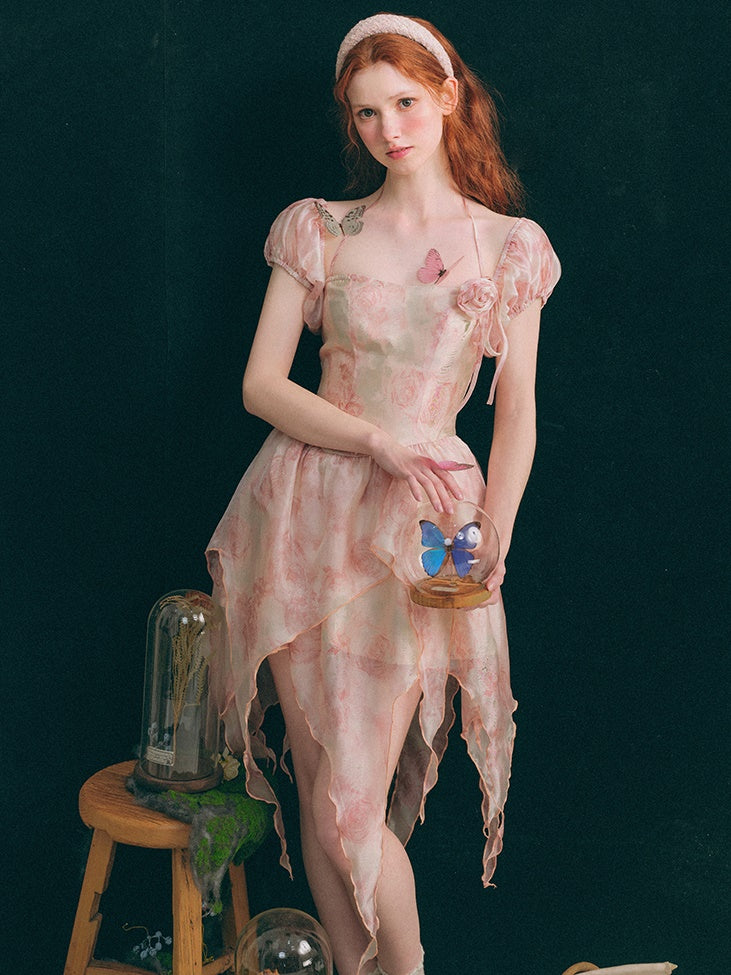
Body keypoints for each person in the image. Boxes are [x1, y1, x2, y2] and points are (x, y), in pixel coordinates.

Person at [206, 13, 560, 975]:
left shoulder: (510, 245)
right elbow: (262, 385)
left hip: (426, 524)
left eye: (404, 102)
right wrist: (373, 438)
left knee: (352, 802)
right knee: (318, 785)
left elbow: (517, 413)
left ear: (447, 96)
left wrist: (496, 528)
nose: (387, 129)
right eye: (366, 113)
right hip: (302, 505)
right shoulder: (320, 227)